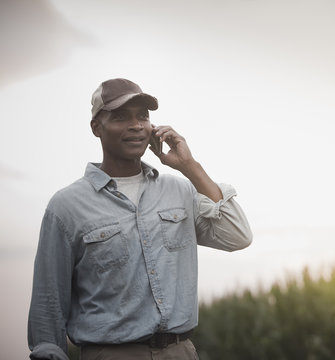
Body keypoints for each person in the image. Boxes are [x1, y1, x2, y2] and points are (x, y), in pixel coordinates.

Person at [27, 78, 253, 360]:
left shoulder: (180, 190)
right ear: (96, 127)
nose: (136, 125)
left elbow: (237, 236)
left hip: (181, 352)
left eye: (143, 116)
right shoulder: (66, 206)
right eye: (121, 117)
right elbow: (49, 303)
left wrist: (190, 167)